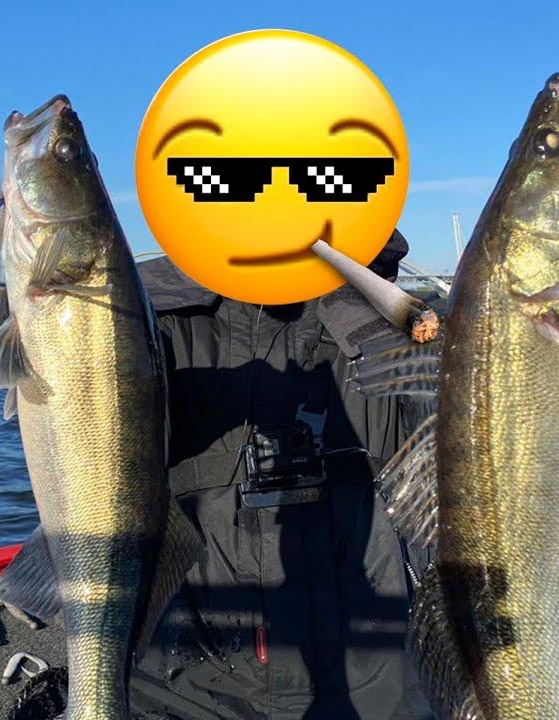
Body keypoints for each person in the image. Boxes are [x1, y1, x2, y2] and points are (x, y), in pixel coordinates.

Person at [128, 230, 433, 720]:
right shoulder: (142, 320)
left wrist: (353, 299)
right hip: (177, 684)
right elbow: (52, 370)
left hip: (384, 686)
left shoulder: (413, 328)